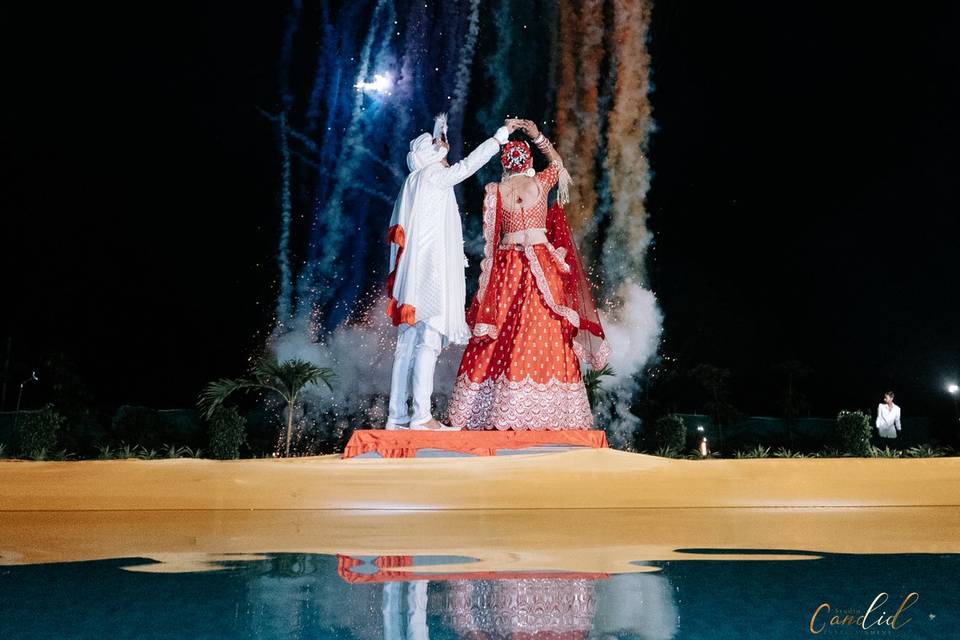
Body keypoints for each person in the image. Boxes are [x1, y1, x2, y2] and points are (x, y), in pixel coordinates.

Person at [447, 120, 610, 431]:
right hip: (541, 264)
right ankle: (544, 411)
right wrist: (537, 135)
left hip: (508, 267)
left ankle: (490, 408)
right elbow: (559, 164)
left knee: (503, 328)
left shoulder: (495, 191)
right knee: (542, 329)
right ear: (529, 162)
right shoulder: (541, 183)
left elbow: (491, 240)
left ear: (505, 164)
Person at [384, 115, 518, 430]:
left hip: (412, 276)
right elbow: (468, 166)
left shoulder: (414, 180)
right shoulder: (432, 176)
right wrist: (499, 137)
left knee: (407, 345)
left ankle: (396, 416)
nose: (445, 147)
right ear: (431, 155)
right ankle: (421, 417)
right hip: (429, 273)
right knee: (428, 341)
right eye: (440, 145)